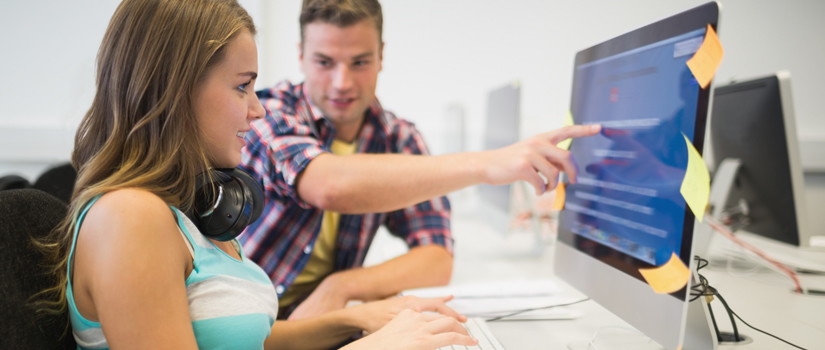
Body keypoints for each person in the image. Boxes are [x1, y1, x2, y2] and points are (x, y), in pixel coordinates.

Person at [34, 0, 478, 349]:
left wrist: (354, 320)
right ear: (176, 89)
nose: (257, 108)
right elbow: (328, 183)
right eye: (242, 86)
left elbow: (253, 340)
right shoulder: (130, 217)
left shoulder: (192, 207)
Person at [241, 0, 602, 321]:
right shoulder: (267, 112)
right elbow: (328, 185)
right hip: (242, 319)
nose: (342, 82)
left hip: (320, 321)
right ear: (301, 54)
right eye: (324, 62)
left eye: (360, 62)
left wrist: (342, 286)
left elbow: (436, 258)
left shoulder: (399, 138)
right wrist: (486, 165)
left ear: (382, 55)